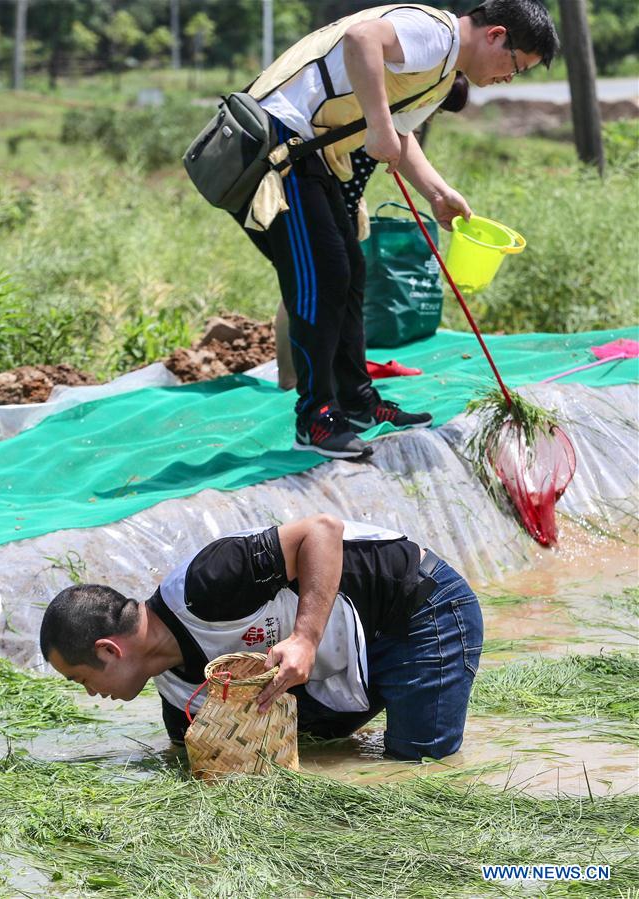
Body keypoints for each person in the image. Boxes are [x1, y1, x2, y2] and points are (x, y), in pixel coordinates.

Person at [227, 1, 558, 459]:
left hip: (312, 155)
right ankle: (315, 417)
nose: (508, 77)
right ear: (496, 35)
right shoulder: (437, 33)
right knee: (322, 278)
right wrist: (378, 125)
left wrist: (438, 193)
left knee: (350, 272)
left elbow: (400, 135)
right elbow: (362, 38)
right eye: (516, 66)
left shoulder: (441, 72)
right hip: (280, 142)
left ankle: (357, 401)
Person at [41, 514, 483, 761]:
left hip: (416, 609)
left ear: (108, 650)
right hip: (347, 657)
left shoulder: (207, 583)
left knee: (418, 768)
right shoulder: (181, 704)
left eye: (82, 681)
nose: (93, 694)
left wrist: (305, 638)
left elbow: (321, 531)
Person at [275, 72, 471, 391]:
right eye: (435, 106)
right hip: (321, 197)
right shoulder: (383, 106)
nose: (431, 114)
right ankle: (291, 378)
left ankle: (333, 375)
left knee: (335, 288)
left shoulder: (395, 115)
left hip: (344, 205)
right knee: (306, 290)